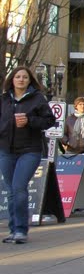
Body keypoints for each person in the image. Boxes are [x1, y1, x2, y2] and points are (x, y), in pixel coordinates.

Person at [0, 66, 56, 244]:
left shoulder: (37, 99)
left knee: (19, 187)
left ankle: (21, 230)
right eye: (18, 77)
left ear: (29, 80)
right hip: (6, 150)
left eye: (24, 77)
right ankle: (13, 229)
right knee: (10, 191)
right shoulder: (4, 100)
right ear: (12, 80)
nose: (21, 80)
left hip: (29, 150)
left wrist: (30, 121)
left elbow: (49, 121)